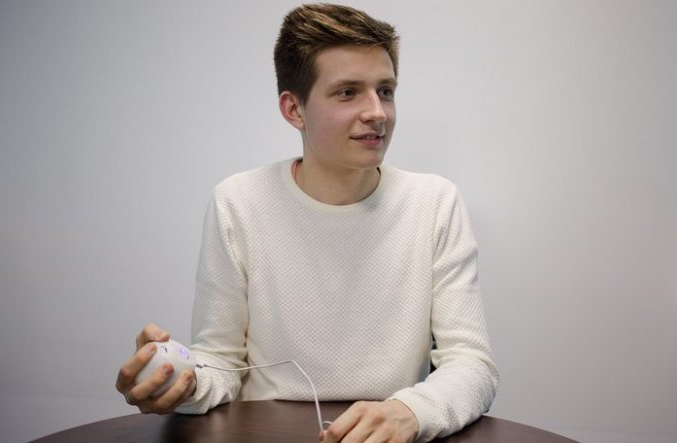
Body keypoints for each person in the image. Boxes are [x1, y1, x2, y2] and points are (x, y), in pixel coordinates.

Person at [115, 4, 498, 442]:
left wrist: (410, 412)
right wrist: (179, 383)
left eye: (386, 90)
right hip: (264, 434)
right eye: (348, 92)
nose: (377, 112)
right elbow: (221, 362)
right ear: (294, 109)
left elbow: (472, 365)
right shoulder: (238, 203)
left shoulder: (434, 203)